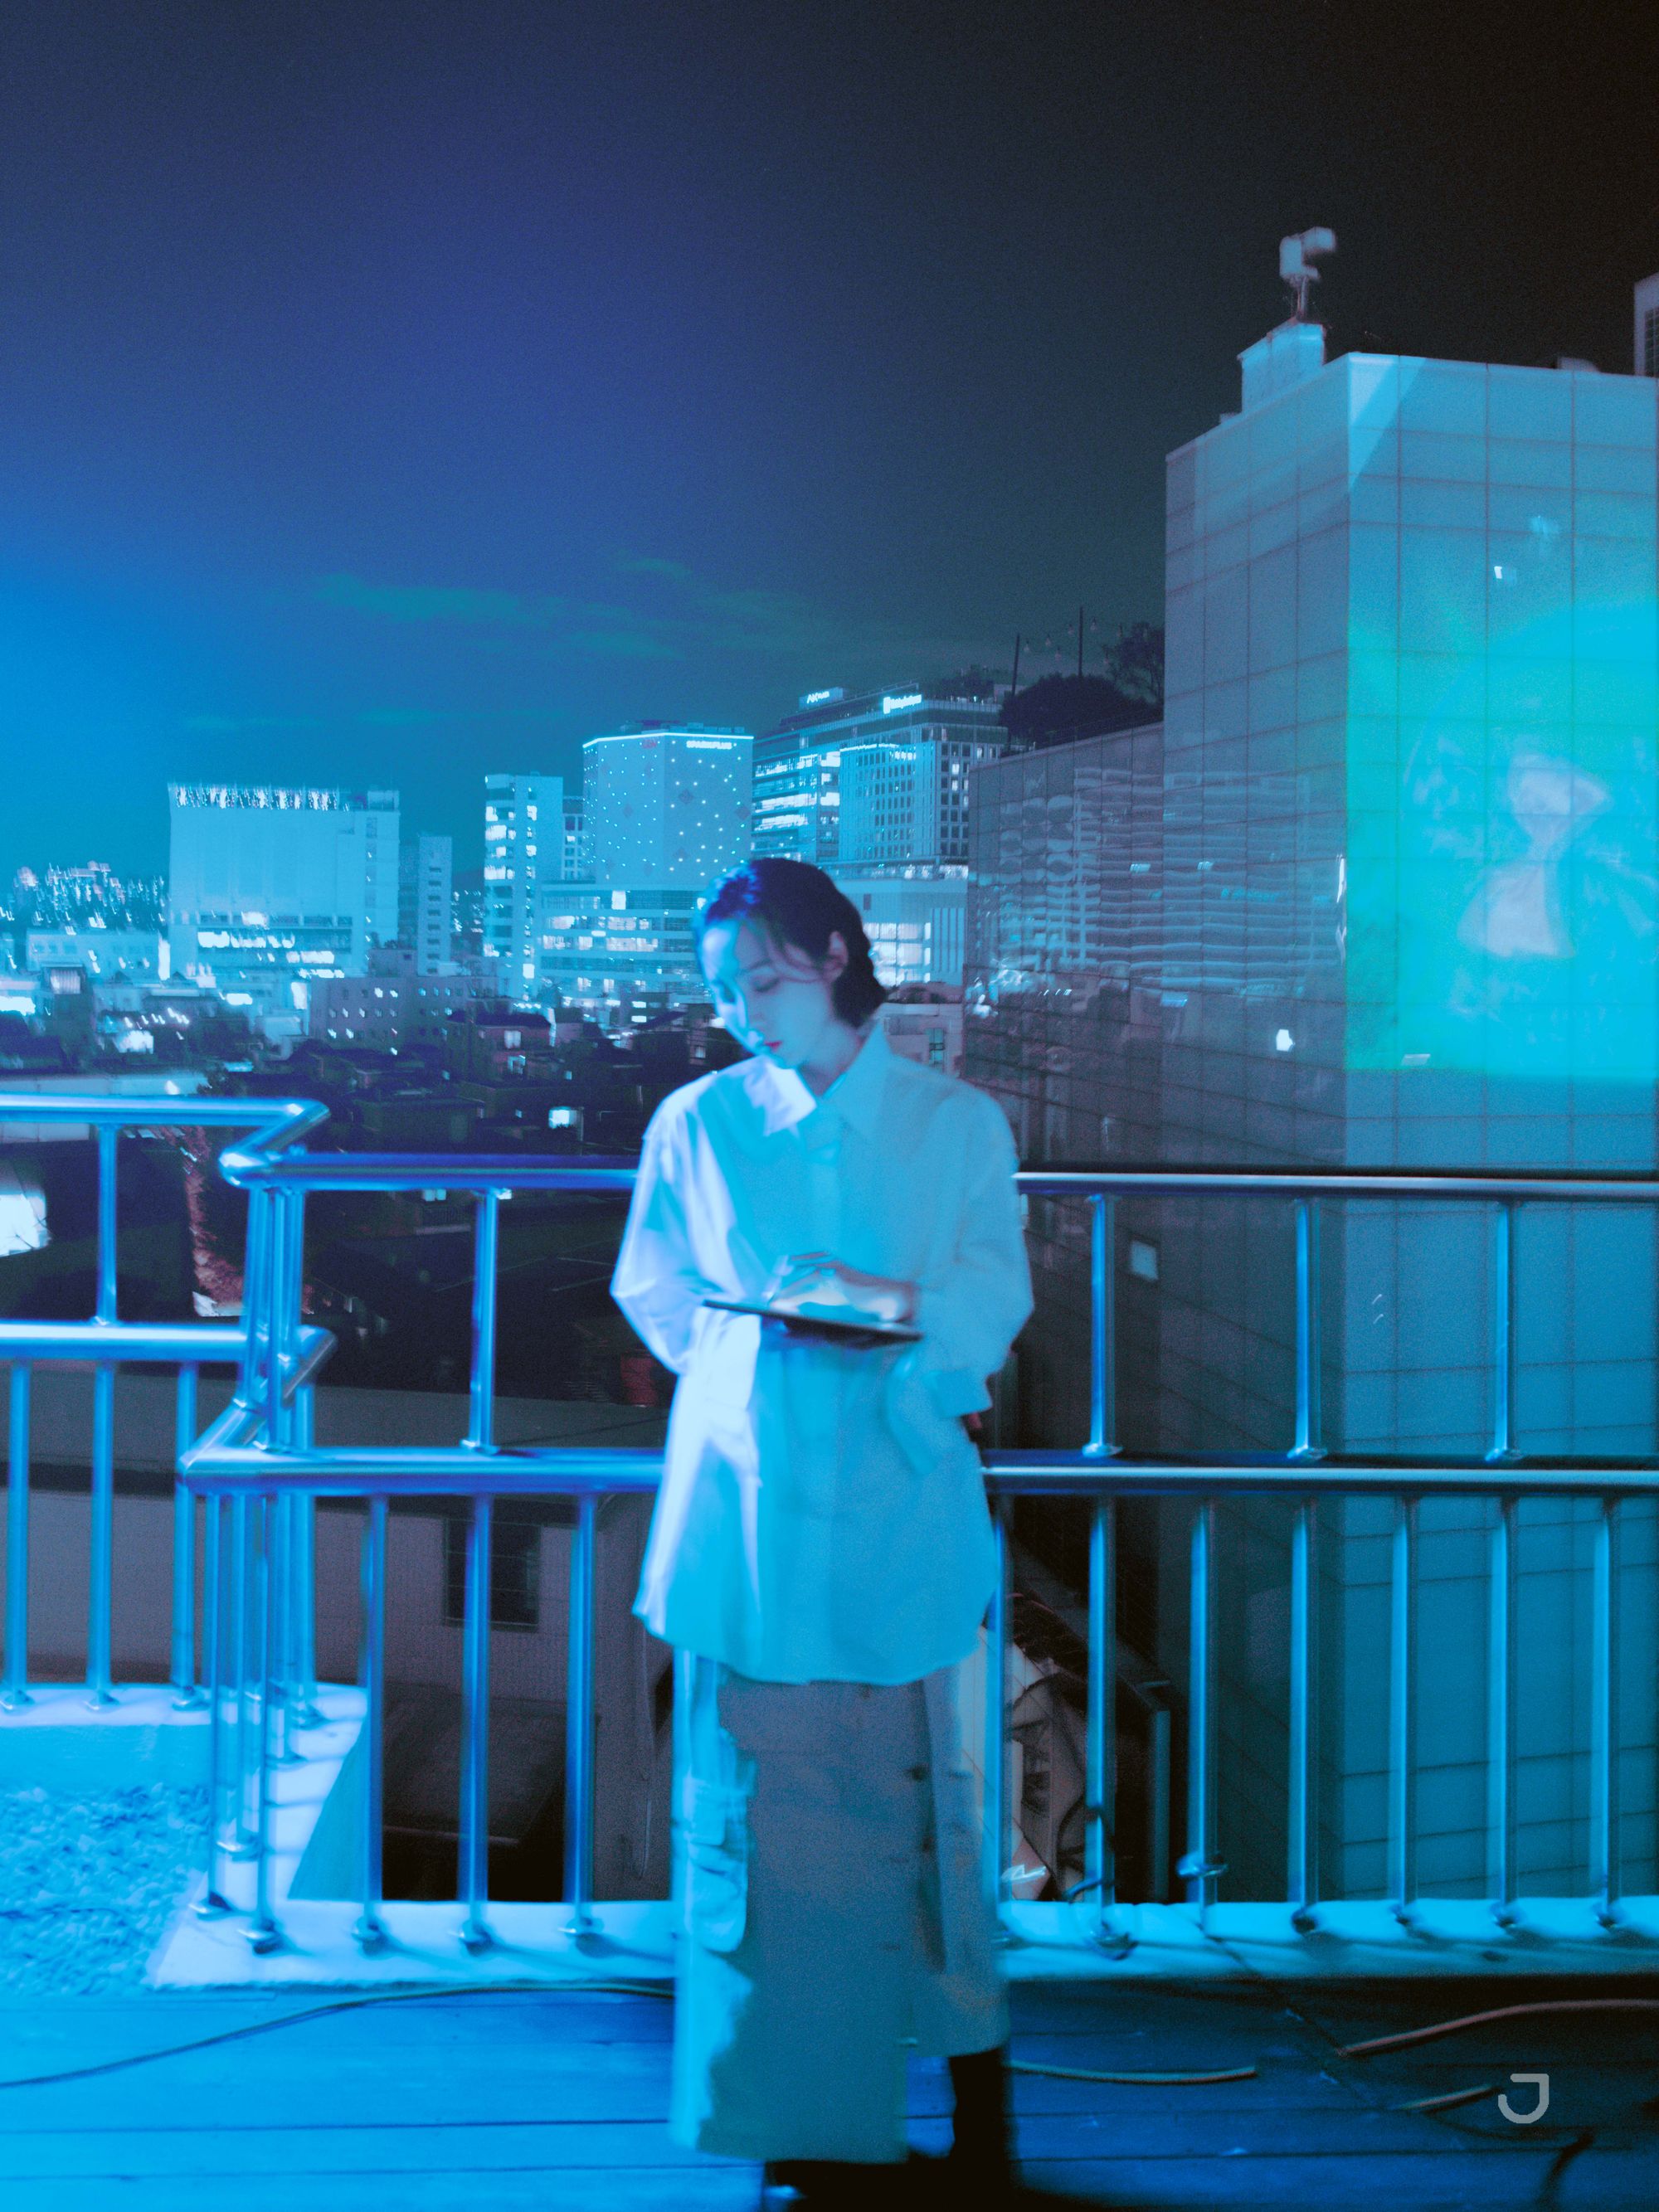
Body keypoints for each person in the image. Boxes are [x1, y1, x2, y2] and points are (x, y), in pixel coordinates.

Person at [611, 856, 1034, 2208]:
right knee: (763, 1829)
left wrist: (882, 1315)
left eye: (763, 982)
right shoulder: (697, 1121)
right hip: (754, 1505)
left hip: (897, 1491)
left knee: (938, 1821)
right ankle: (793, 2122)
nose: (742, 1013)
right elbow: (657, 1286)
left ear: (836, 959)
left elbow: (992, 1293)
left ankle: (973, 2109)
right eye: (727, 992)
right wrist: (749, 1376)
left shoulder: (955, 1122)